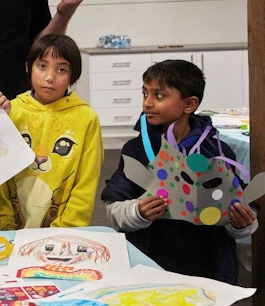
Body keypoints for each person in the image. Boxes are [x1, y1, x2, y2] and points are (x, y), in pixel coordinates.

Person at [101, 59, 258, 284]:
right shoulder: (136, 151)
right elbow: (114, 209)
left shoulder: (218, 153)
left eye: (159, 95)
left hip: (209, 272)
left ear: (189, 104)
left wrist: (242, 224)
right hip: (150, 266)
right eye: (145, 93)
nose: (147, 103)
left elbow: (246, 212)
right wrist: (138, 212)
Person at [0, 34, 103, 231]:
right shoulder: (12, 111)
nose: (50, 77)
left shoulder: (86, 119)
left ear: (73, 76)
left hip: (63, 232)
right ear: (28, 67)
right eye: (42, 66)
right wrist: (3, 224)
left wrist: (66, 229)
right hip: (10, 231)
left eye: (61, 69)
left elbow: (86, 183)